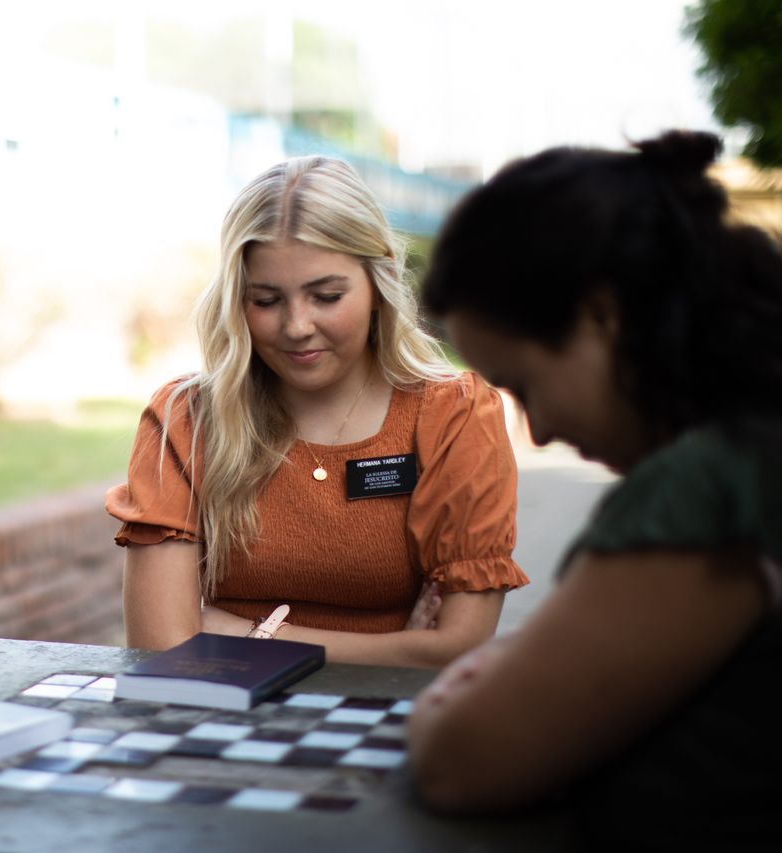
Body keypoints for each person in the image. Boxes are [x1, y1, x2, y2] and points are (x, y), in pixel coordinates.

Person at [409, 131, 782, 849]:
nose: (539, 431)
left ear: (603, 315)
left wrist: (445, 710)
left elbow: (464, 760)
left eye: (526, 385)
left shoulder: (715, 483)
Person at [106, 156, 528, 666]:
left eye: (326, 296)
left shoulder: (455, 416)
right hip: (218, 717)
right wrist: (398, 648)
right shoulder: (186, 419)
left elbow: (455, 648)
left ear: (380, 281)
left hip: (390, 724)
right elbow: (160, 649)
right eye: (265, 300)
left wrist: (248, 635)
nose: (297, 326)